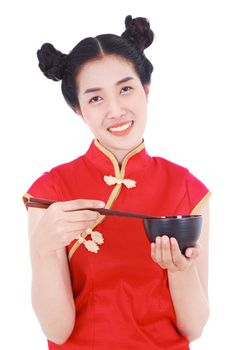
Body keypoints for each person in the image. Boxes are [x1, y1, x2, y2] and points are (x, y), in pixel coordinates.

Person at [23, 15, 211, 350]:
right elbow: (58, 331)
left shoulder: (187, 188)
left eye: (125, 89)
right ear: (78, 109)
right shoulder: (49, 192)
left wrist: (180, 271)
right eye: (95, 98)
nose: (115, 110)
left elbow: (193, 327)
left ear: (146, 89)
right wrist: (43, 250)